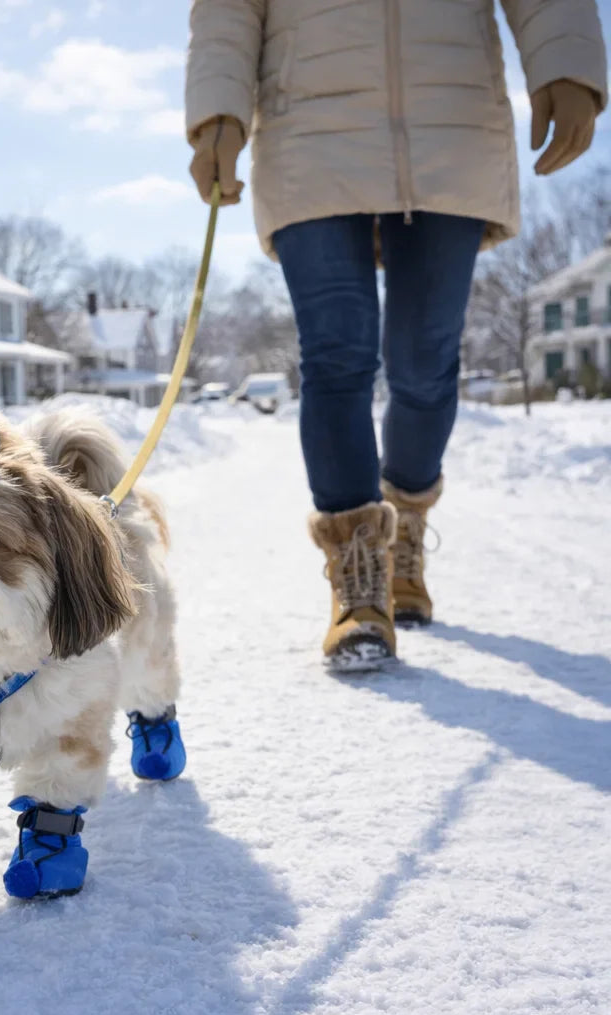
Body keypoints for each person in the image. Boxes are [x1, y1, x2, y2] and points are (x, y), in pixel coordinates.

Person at [185, 0, 606, 668]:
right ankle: (359, 578)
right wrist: (217, 114)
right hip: (309, 128)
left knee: (423, 361)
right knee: (336, 353)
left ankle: (403, 520)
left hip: (451, 124)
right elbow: (228, 10)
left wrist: (568, 59)